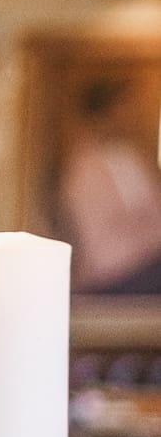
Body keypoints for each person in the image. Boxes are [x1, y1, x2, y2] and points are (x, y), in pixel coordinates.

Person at [57, 75, 161, 295]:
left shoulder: (133, 156)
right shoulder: (84, 169)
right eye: (123, 107)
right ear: (104, 113)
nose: (130, 116)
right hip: (113, 272)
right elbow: (100, 240)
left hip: (148, 260)